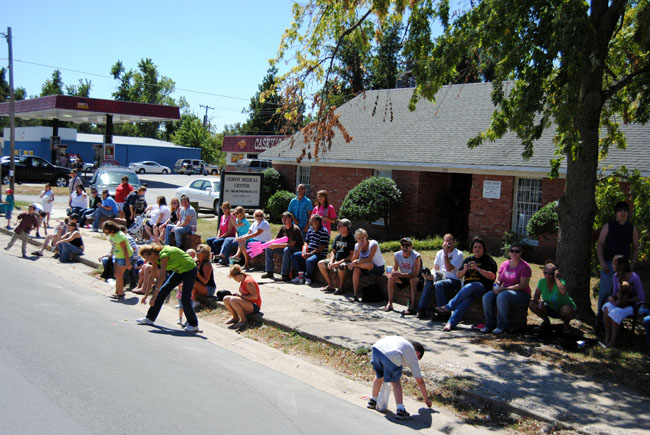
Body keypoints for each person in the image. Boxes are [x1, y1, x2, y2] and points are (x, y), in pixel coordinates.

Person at [434, 237, 497, 331]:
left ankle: (448, 306)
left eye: (479, 247)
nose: (477, 249)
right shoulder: (468, 260)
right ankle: (451, 323)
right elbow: (458, 275)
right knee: (464, 302)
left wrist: (478, 269)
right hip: (468, 291)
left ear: (484, 249)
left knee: (472, 285)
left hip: (482, 289)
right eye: (475, 247)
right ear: (472, 249)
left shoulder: (488, 260)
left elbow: (492, 276)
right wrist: (465, 269)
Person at [136, 244, 200, 333]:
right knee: (162, 292)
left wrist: (153, 297)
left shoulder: (164, 255)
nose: (146, 261)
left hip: (190, 270)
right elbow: (152, 276)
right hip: (179, 270)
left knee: (185, 298)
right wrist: (146, 295)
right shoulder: (155, 258)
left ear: (152, 254)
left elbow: (162, 277)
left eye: (147, 258)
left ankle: (193, 325)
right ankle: (150, 318)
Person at [596, 201, 640, 325]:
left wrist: (632, 264)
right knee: (605, 293)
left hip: (624, 268)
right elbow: (600, 244)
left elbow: (636, 247)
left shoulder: (632, 228)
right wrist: (602, 262)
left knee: (620, 294)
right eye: (620, 210)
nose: (622, 213)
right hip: (609, 265)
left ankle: (616, 321)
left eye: (625, 211)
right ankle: (600, 320)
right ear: (616, 213)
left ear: (628, 213)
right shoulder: (608, 226)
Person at [367, 336, 431, 420]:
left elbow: (382, 337)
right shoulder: (412, 355)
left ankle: (373, 401)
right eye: (418, 359)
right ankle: (400, 409)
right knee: (395, 381)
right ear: (418, 354)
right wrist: (426, 399)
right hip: (391, 354)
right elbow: (420, 381)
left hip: (376, 348)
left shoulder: (402, 343)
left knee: (379, 376)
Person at [481, 243, 532, 334]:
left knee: (502, 296)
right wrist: (496, 286)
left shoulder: (525, 267)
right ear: (509, 253)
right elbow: (498, 280)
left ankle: (502, 325)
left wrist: (504, 289)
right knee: (486, 296)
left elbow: (522, 285)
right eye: (512, 251)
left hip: (522, 294)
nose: (514, 253)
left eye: (517, 251)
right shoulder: (505, 264)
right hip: (504, 291)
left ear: (521, 253)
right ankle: (489, 324)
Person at [417, 233, 464, 319]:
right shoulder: (439, 253)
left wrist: (445, 254)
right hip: (440, 277)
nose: (447, 243)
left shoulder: (458, 254)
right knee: (429, 281)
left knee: (439, 285)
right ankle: (421, 309)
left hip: (454, 280)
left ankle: (444, 313)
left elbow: (449, 268)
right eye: (446, 241)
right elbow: (435, 268)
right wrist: (431, 275)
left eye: (450, 241)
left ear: (454, 242)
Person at [602, 255, 645, 348]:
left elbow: (641, 296)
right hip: (620, 302)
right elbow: (615, 293)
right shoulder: (615, 277)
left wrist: (627, 300)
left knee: (615, 312)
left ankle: (613, 341)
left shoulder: (634, 277)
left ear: (621, 266)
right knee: (606, 307)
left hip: (634, 304)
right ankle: (607, 336)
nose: (612, 265)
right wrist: (612, 298)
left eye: (614, 264)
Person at [528, 262, 576, 333]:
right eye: (546, 273)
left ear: (554, 274)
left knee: (566, 309)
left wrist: (556, 278)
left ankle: (566, 325)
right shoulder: (542, 282)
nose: (547, 275)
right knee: (531, 303)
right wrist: (539, 302)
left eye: (550, 273)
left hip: (563, 310)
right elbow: (536, 296)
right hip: (550, 308)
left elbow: (563, 292)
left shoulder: (560, 282)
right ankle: (546, 321)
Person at [262, 211, 303, 281]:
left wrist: (276, 245)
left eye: (285, 218)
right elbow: (276, 239)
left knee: (286, 250)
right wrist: (268, 243)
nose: (283, 219)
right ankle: (269, 271)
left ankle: (285, 275)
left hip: (296, 248)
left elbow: (291, 244)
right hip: (285, 247)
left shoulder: (295, 229)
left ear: (290, 219)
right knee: (269, 248)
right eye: (283, 218)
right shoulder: (283, 228)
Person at [317, 218, 355, 293]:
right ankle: (330, 285)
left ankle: (341, 288)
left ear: (346, 228)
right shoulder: (338, 237)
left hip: (346, 261)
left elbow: (351, 255)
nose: (337, 227)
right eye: (338, 225)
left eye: (340, 226)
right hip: (336, 260)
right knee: (320, 263)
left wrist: (338, 263)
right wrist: (331, 261)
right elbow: (333, 251)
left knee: (341, 266)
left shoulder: (351, 238)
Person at [347, 228, 385, 302]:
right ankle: (355, 295)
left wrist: (356, 263)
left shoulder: (373, 244)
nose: (361, 240)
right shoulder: (357, 245)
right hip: (364, 267)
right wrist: (359, 250)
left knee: (368, 264)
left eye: (362, 237)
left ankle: (354, 266)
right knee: (356, 270)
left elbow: (369, 259)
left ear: (366, 236)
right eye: (358, 238)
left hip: (377, 267)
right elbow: (353, 259)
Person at [290, 214, 330, 285]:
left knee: (309, 260)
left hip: (319, 254)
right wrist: (304, 251)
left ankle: (308, 277)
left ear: (317, 222)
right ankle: (300, 276)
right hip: (309, 252)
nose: (310, 222)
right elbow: (306, 242)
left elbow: (322, 247)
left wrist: (310, 254)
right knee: (294, 256)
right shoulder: (310, 230)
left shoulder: (324, 231)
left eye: (311, 220)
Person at [385, 237, 422, 313]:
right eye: (403, 244)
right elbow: (395, 268)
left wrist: (400, 274)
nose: (405, 247)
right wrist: (393, 272)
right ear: (401, 246)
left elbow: (415, 273)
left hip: (415, 278)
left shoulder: (416, 256)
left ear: (411, 247)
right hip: (404, 277)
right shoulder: (397, 255)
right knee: (391, 277)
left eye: (407, 245)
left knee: (412, 280)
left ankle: (412, 307)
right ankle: (390, 303)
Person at [223, 264, 262, 332]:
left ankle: (243, 320)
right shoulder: (243, 281)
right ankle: (235, 317)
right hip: (247, 303)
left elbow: (254, 296)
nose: (234, 280)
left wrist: (240, 296)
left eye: (234, 278)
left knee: (233, 300)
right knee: (226, 298)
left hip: (254, 305)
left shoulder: (248, 282)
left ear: (236, 276)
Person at [102, 220, 133, 300]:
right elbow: (113, 245)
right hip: (118, 256)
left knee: (119, 274)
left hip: (124, 257)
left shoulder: (120, 236)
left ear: (111, 229)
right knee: (116, 274)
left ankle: (120, 293)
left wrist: (128, 262)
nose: (105, 231)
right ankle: (117, 292)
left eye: (106, 229)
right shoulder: (111, 235)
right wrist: (111, 253)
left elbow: (125, 250)